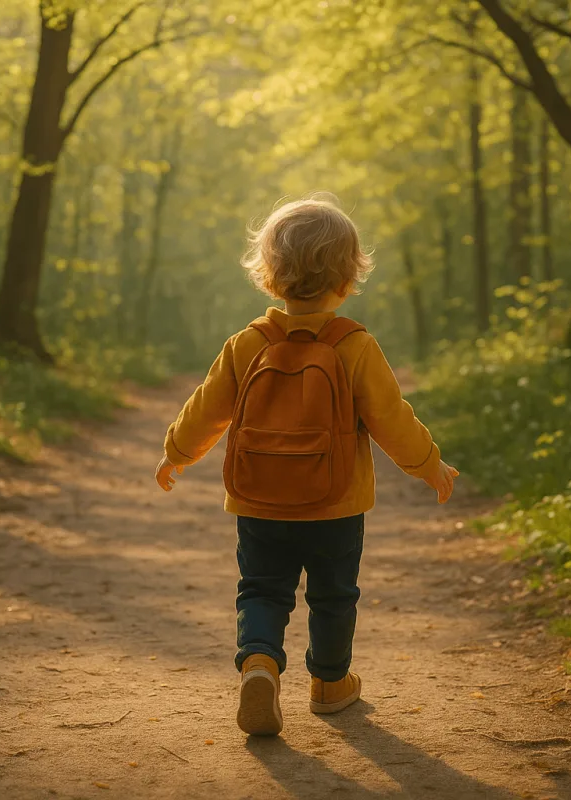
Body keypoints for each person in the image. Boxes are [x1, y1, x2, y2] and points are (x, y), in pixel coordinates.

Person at [155, 194, 457, 737]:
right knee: (334, 594)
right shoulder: (355, 346)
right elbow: (392, 418)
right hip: (335, 505)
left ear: (269, 275)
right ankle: (330, 684)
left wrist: (176, 453)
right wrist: (429, 464)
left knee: (262, 589)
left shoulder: (248, 343)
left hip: (259, 500)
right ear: (348, 277)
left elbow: (206, 408)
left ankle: (260, 664)